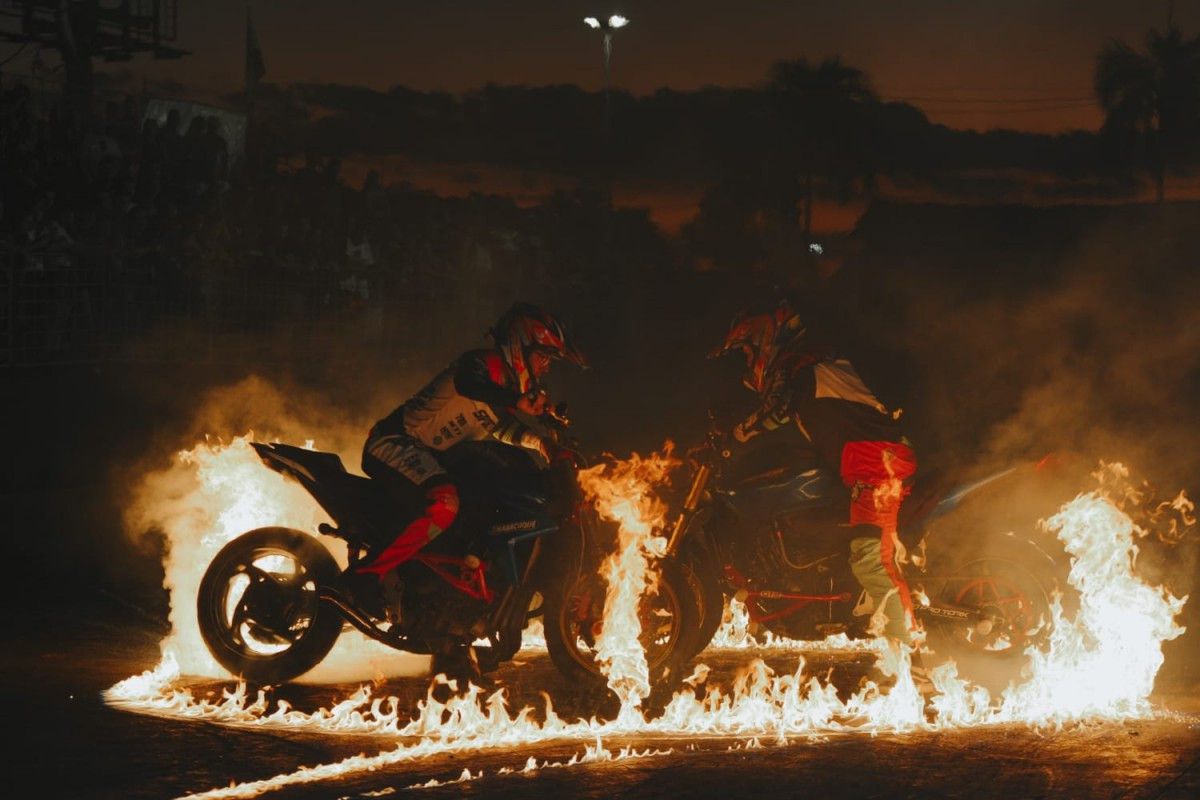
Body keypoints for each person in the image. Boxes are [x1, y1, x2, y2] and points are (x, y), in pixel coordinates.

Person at [710, 296, 922, 656]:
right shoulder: (810, 364)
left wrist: (733, 439)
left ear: (763, 337)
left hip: (877, 464)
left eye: (747, 352)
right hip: (864, 463)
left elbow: (775, 409)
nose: (748, 362)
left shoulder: (803, 364)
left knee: (870, 556)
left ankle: (908, 659)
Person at [346, 302, 586, 610]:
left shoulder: (499, 394)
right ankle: (365, 576)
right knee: (445, 501)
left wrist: (546, 446)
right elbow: (469, 384)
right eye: (543, 356)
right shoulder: (482, 365)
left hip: (428, 459)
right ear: (520, 346)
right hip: (394, 442)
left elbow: (503, 428)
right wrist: (517, 399)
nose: (545, 367)